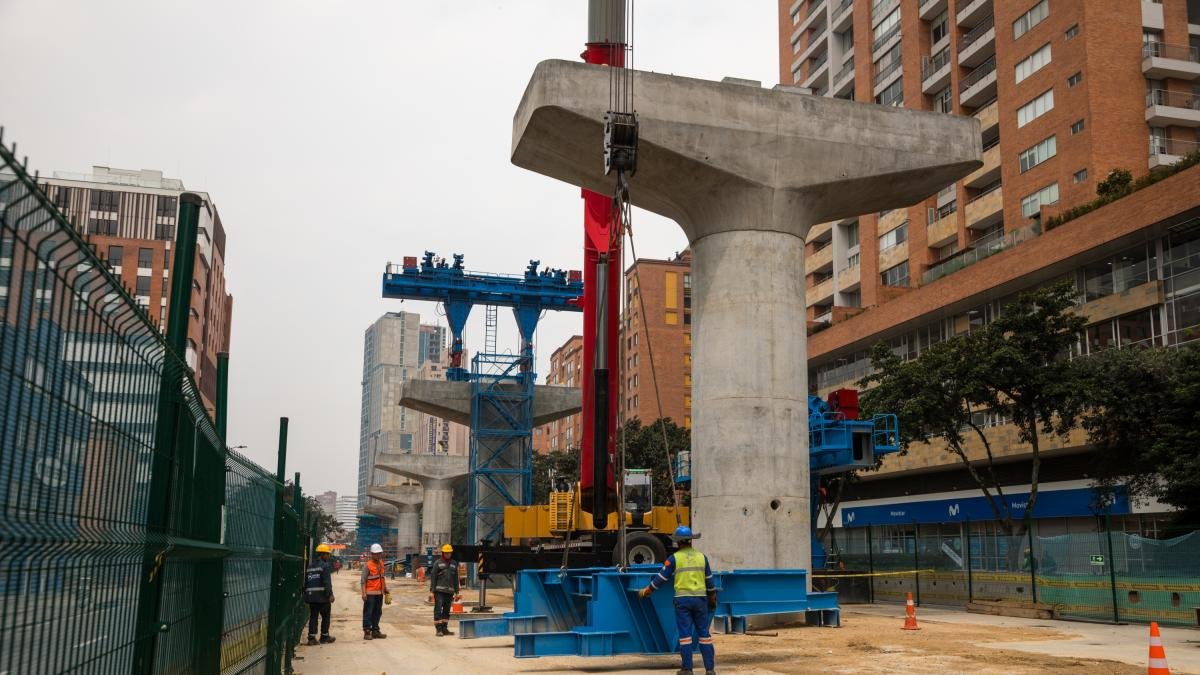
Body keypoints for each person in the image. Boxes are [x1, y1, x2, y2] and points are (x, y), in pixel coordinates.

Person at [638, 526, 716, 675]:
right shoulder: (702, 557)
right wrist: (712, 599)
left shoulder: (674, 558)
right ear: (691, 541)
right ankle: (710, 670)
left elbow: (661, 578)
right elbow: (710, 582)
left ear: (678, 543)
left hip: (683, 602)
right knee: (704, 635)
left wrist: (648, 590)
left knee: (685, 636)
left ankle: (687, 669)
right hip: (700, 601)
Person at [304, 544, 337, 645]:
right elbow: (327, 582)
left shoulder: (310, 566)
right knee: (325, 616)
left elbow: (306, 582)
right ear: (322, 554)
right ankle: (324, 636)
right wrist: (330, 594)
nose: (328, 556)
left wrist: (306, 595)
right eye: (327, 554)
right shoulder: (325, 566)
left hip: (311, 597)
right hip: (323, 597)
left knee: (313, 616)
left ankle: (311, 638)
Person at [429, 544, 460, 636]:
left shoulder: (454, 563)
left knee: (446, 610)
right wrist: (432, 591)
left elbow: (456, 578)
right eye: (446, 553)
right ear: (443, 553)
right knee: (438, 609)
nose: (448, 554)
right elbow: (433, 577)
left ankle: (444, 628)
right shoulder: (437, 563)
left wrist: (457, 592)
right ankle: (438, 629)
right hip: (439, 591)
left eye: (449, 553)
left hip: (450, 592)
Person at [360, 543, 389, 640]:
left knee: (377, 612)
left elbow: (382, 577)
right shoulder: (367, 565)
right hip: (370, 594)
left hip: (379, 593)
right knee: (368, 612)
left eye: (379, 553)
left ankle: (375, 630)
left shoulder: (381, 563)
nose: (378, 555)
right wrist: (363, 593)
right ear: (372, 554)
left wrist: (385, 589)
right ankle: (367, 631)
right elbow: (363, 581)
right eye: (376, 554)